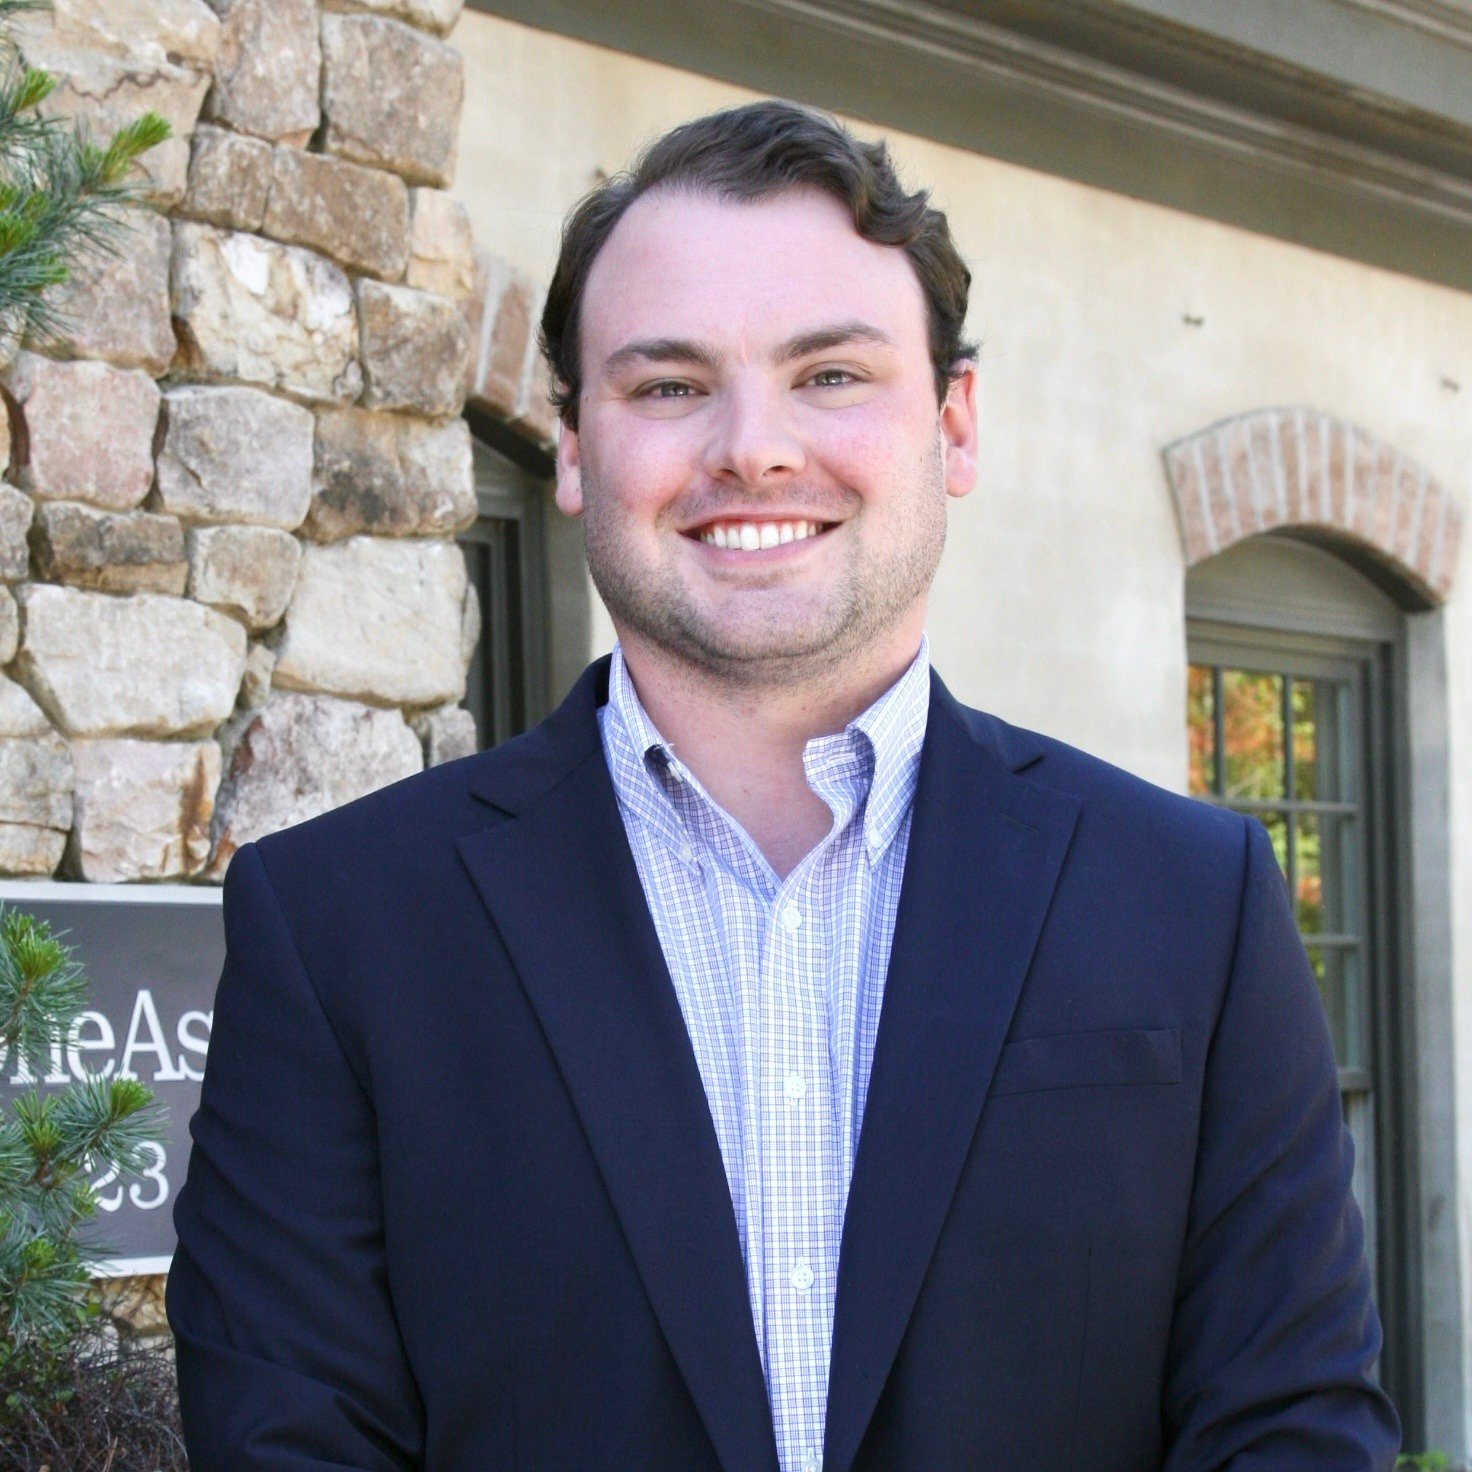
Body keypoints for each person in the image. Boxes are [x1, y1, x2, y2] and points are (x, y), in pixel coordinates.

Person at [168, 100, 1400, 1471]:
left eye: (830, 375)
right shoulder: (338, 928)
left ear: (956, 424)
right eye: (668, 384)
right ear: (574, 448)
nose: (752, 448)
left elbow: (1289, 1432)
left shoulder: (1194, 907)